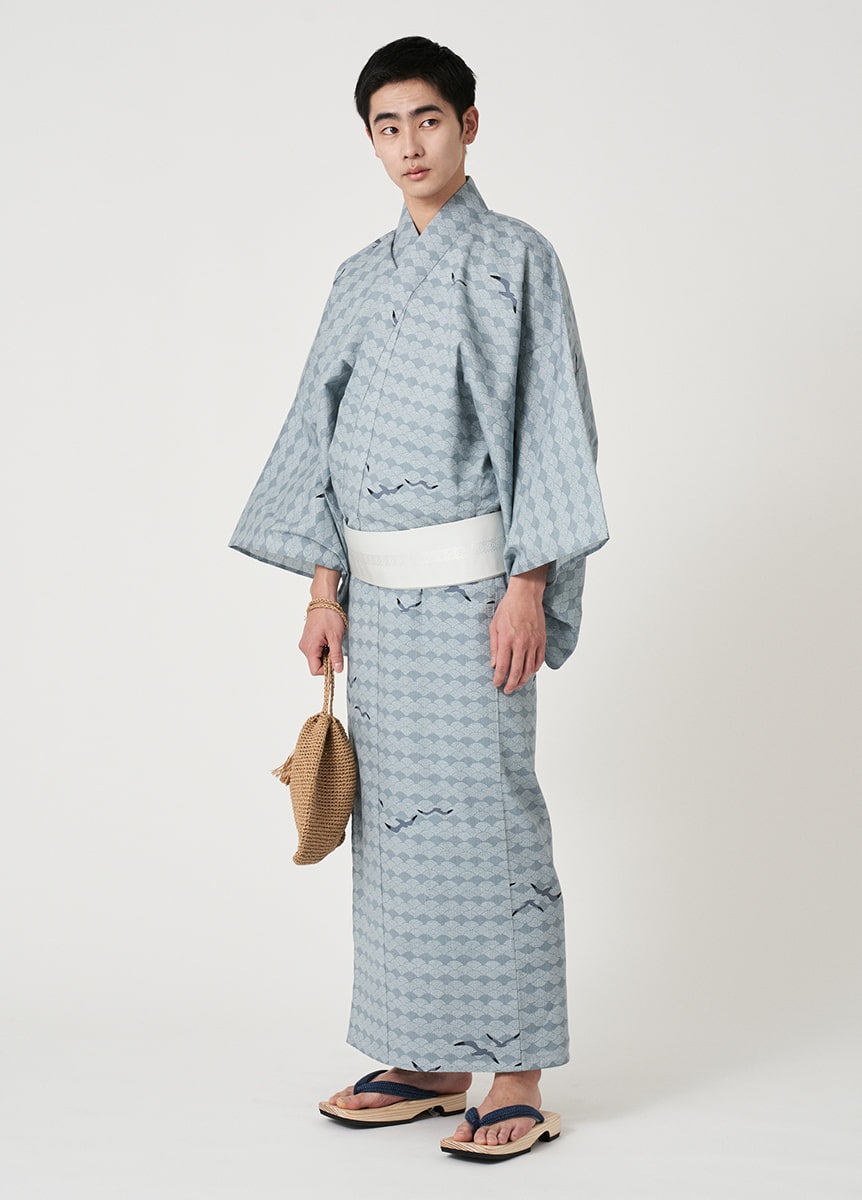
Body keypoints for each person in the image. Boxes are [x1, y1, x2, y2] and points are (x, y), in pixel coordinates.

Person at [228, 35, 609, 1162]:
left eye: (428, 120)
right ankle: (430, 1055)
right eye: (387, 126)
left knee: (490, 820)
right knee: (391, 834)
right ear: (371, 140)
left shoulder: (516, 258)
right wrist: (323, 588)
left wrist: (528, 583)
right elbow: (320, 431)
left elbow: (551, 422)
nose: (410, 144)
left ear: (468, 126)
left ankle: (516, 1070)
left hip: (476, 595)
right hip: (377, 609)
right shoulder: (360, 276)